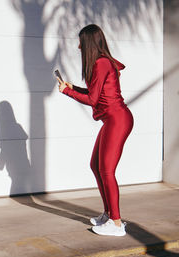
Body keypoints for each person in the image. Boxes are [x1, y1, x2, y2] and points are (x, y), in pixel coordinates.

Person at [57, 24, 133, 236]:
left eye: (81, 42)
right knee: (95, 165)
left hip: (117, 119)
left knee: (107, 170)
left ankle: (116, 224)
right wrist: (73, 88)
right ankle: (109, 214)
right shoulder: (102, 63)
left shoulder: (101, 63)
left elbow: (91, 100)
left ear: (89, 43)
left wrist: (66, 93)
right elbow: (95, 94)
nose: (79, 46)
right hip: (112, 119)